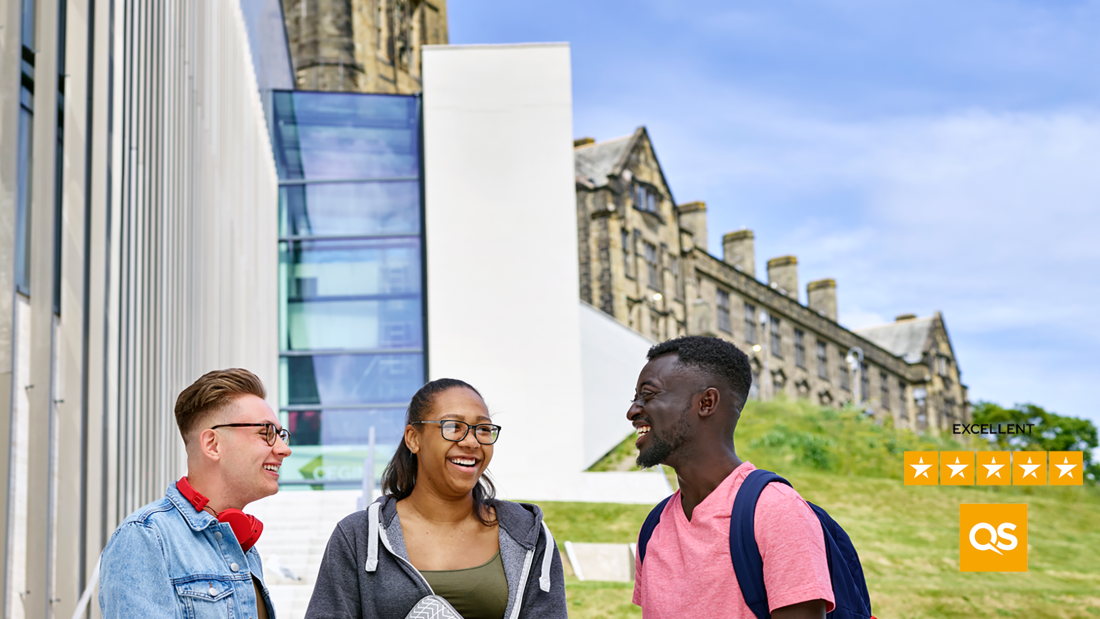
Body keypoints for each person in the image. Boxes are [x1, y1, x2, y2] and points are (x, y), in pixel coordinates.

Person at [304, 378, 567, 619]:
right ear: (413, 438)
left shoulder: (529, 536)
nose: (472, 441)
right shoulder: (357, 537)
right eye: (453, 427)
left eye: (483, 429)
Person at [629, 336, 834, 618]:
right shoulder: (654, 527)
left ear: (706, 402)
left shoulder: (776, 511)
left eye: (648, 395)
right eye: (635, 398)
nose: (632, 411)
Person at [99, 368, 291, 619]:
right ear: (212, 444)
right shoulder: (145, 537)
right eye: (265, 432)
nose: (283, 449)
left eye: (281, 434)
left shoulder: (243, 547)